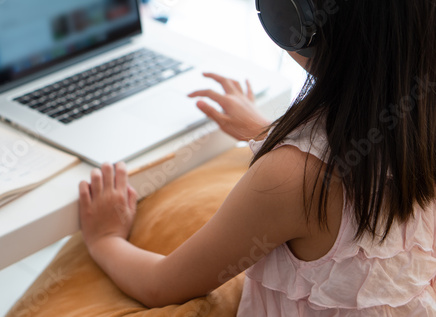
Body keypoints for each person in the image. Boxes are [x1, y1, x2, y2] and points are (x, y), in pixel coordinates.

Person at [78, 0, 436, 315]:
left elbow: (160, 286)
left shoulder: (291, 180)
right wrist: (268, 132)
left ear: (295, 24)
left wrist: (105, 239)